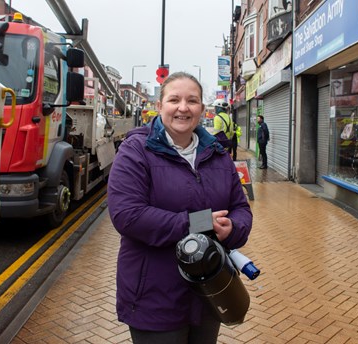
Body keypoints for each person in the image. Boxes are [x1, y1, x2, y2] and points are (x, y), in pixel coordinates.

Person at [107, 71, 253, 344]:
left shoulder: (217, 154)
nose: (183, 108)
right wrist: (200, 223)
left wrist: (233, 228)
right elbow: (127, 215)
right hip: (154, 296)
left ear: (202, 109)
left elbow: (241, 208)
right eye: (174, 99)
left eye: (192, 101)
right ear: (160, 106)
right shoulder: (135, 150)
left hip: (210, 293)